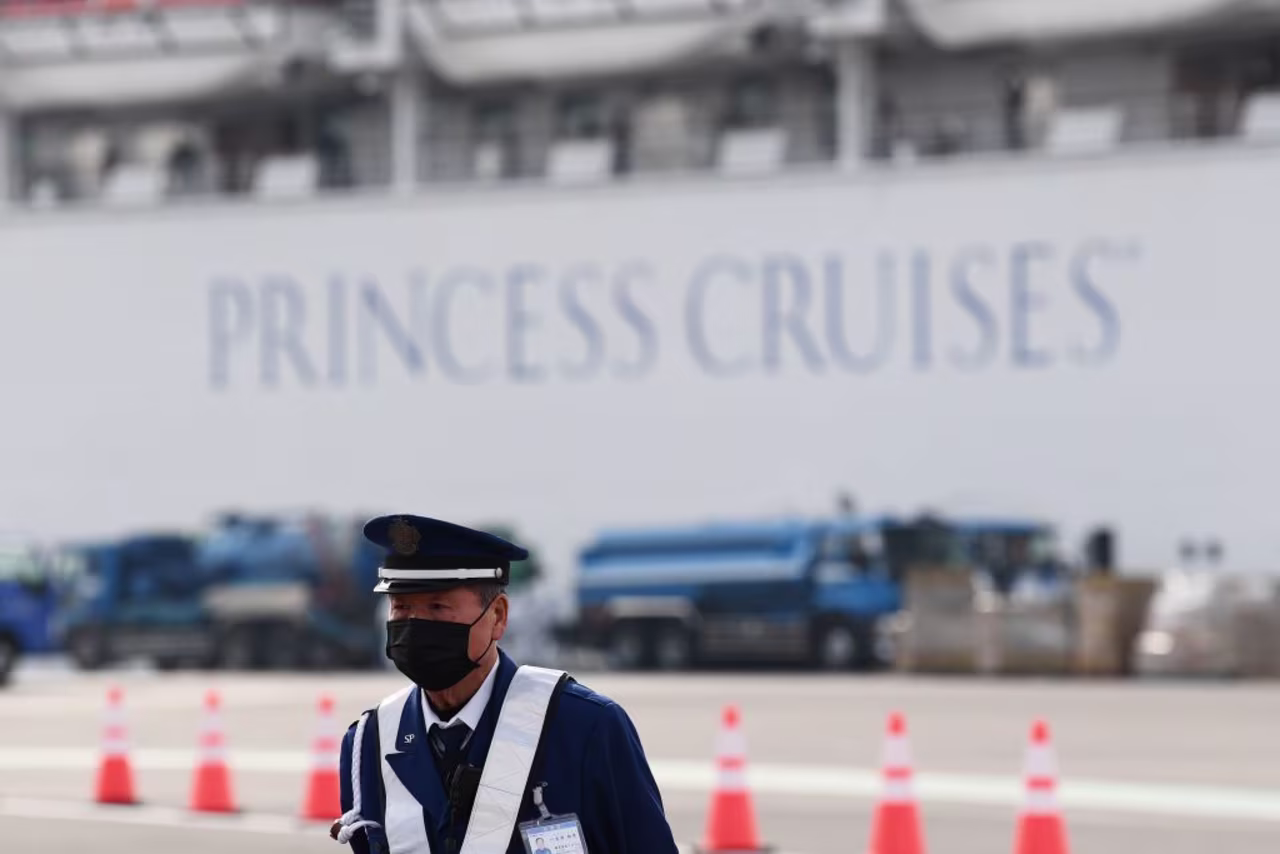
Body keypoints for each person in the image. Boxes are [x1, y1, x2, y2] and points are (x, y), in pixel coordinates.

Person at [330, 514, 679, 854]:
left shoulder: (586, 727)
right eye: (402, 607)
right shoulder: (369, 743)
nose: (415, 624)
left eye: (437, 607)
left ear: (497, 616)